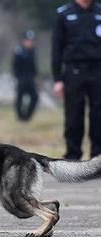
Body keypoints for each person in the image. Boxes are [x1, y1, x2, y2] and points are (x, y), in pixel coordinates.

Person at [52, 0, 101, 160]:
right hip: (74, 71)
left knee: (98, 115)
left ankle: (97, 158)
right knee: (73, 116)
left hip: (98, 70)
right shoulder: (64, 13)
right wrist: (58, 79)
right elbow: (56, 48)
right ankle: (73, 157)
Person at [12, 30, 39, 122]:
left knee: (35, 97)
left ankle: (28, 116)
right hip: (21, 78)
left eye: (31, 40)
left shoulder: (32, 51)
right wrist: (17, 77)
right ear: (23, 41)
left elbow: (34, 66)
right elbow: (15, 65)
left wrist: (35, 76)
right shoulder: (18, 51)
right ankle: (20, 117)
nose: (30, 42)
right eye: (28, 40)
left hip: (30, 78)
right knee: (19, 98)